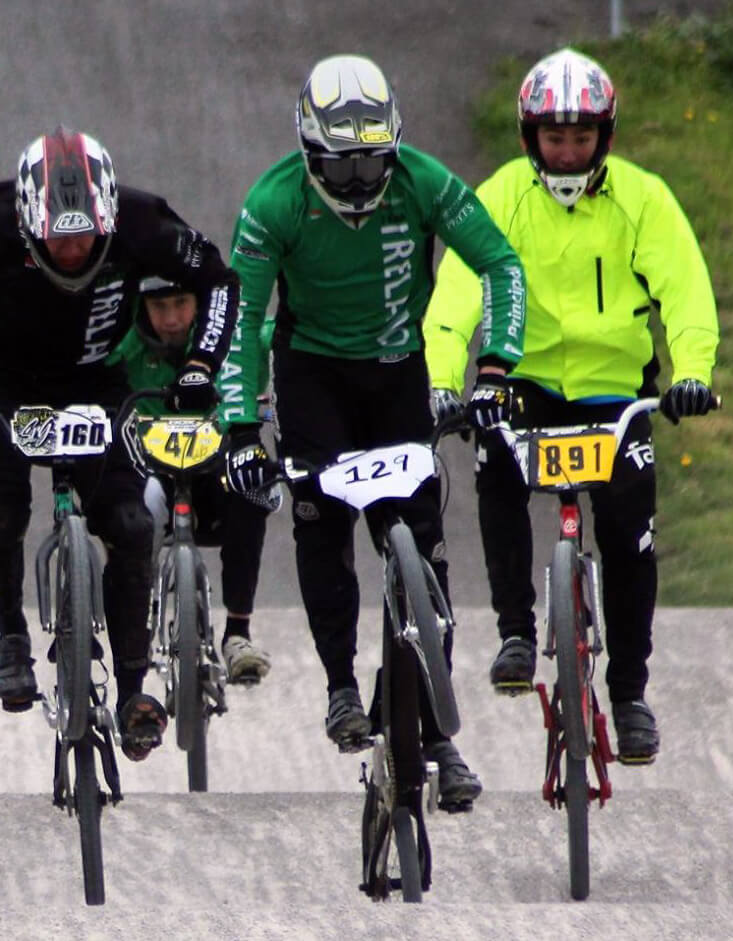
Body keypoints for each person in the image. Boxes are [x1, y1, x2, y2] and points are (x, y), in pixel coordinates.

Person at [218, 55, 529, 810]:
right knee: (322, 531)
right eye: (343, 165)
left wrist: (494, 369)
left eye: (373, 162)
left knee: (426, 558)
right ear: (308, 152)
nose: (361, 180)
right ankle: (339, 687)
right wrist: (238, 429)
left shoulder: (425, 180)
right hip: (312, 375)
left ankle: (431, 732)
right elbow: (240, 326)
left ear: (395, 146)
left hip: (398, 372)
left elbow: (502, 265)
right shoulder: (272, 203)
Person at [0, 127, 239, 762]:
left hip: (97, 382)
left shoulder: (140, 221)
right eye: (59, 238)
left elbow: (219, 279)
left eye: (86, 236)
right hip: (6, 383)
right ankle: (12, 634)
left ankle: (134, 686)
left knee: (131, 524)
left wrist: (201, 368)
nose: (74, 249)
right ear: (28, 223)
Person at [424, 48, 720, 765]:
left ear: (605, 137)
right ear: (529, 137)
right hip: (525, 386)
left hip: (615, 393)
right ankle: (517, 632)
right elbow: (455, 298)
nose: (566, 152)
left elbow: (685, 292)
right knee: (493, 468)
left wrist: (693, 371)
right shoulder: (496, 198)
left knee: (627, 531)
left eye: (581, 138)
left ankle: (628, 695)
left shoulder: (644, 198)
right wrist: (442, 379)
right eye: (553, 138)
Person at [111, 276, 273, 684]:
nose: (170, 319)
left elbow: (274, 334)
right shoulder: (123, 344)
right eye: (159, 307)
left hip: (213, 475)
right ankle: (136, 617)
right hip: (152, 473)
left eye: (181, 303)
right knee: (135, 505)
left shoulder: (230, 341)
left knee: (252, 488)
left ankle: (238, 632)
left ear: (200, 304)